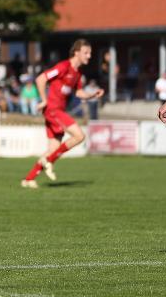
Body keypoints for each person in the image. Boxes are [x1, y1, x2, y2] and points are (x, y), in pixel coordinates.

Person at [21, 39, 105, 188]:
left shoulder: (77, 73)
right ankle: (50, 160)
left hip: (58, 111)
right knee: (79, 136)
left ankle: (28, 179)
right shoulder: (63, 66)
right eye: (86, 52)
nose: (89, 56)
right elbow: (41, 79)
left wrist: (92, 95)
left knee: (52, 149)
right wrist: (44, 100)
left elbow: (79, 92)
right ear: (76, 52)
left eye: (90, 53)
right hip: (52, 110)